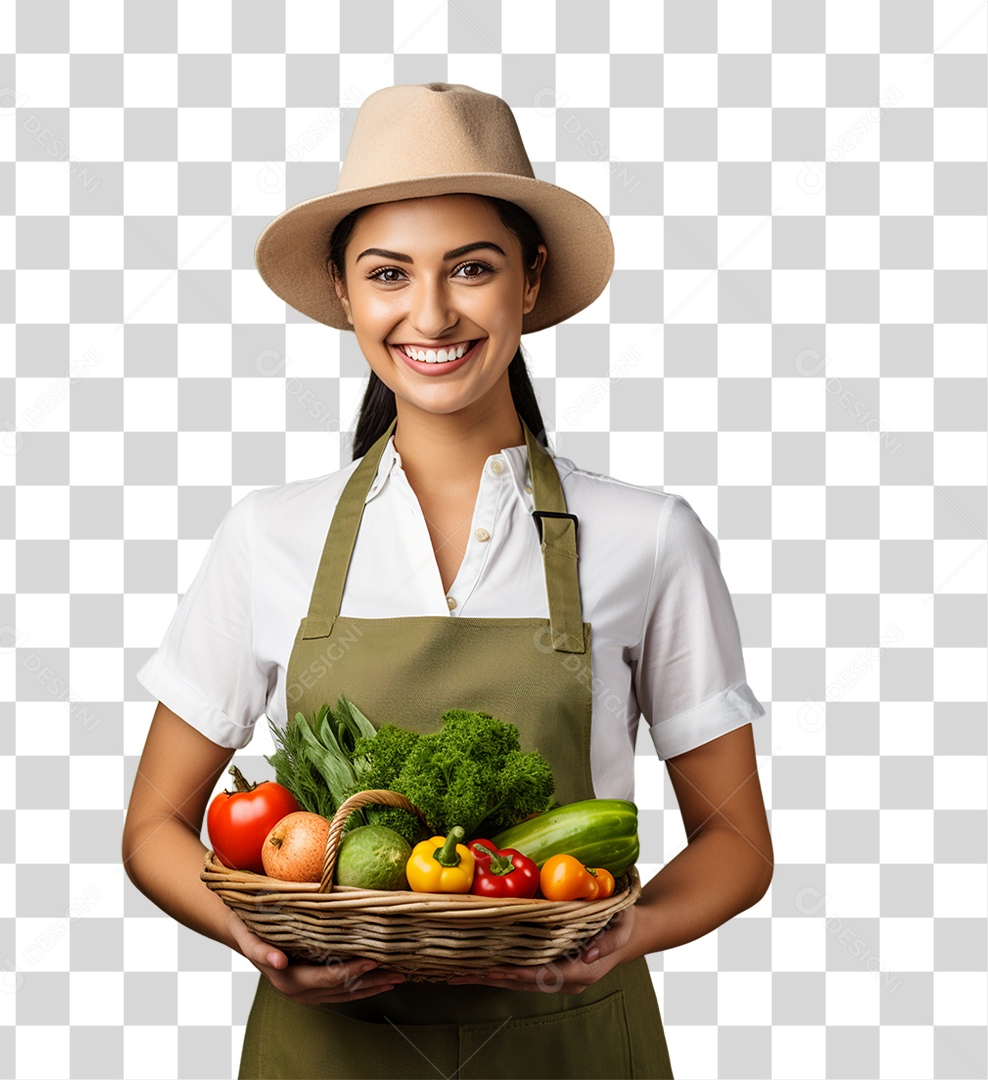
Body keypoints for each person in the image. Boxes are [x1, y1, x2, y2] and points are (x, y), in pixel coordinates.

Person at [122, 83, 773, 1079]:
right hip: (324, 1053)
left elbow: (735, 842)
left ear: (529, 280)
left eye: (472, 268)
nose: (430, 313)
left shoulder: (649, 536)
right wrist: (256, 940)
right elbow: (155, 826)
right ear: (344, 293)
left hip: (575, 1046)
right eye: (389, 274)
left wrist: (622, 936)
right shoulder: (268, 536)